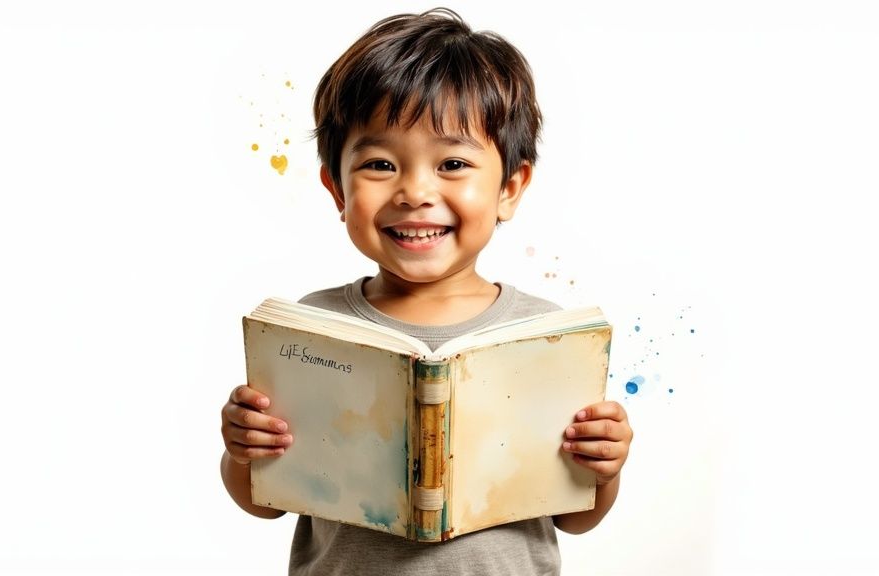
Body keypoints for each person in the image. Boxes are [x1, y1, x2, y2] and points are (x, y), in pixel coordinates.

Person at [220, 8, 633, 575]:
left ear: (510, 188)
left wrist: (603, 468)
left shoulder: (546, 341)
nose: (415, 191)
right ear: (336, 188)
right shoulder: (310, 331)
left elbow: (575, 518)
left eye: (454, 163)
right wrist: (243, 449)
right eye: (381, 163)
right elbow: (261, 503)